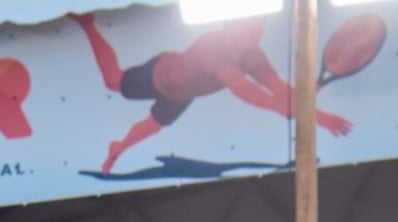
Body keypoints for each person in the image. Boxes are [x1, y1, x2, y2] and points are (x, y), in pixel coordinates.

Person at [70, 11, 355, 174]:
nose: (255, 33)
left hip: (181, 95)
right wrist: (316, 116)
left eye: (259, 27)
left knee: (149, 128)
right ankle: (89, 25)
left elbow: (280, 90)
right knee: (112, 81)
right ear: (230, 26)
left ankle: (116, 150)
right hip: (160, 75)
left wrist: (309, 96)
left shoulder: (254, 56)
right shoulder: (213, 46)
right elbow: (246, 92)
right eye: (248, 27)